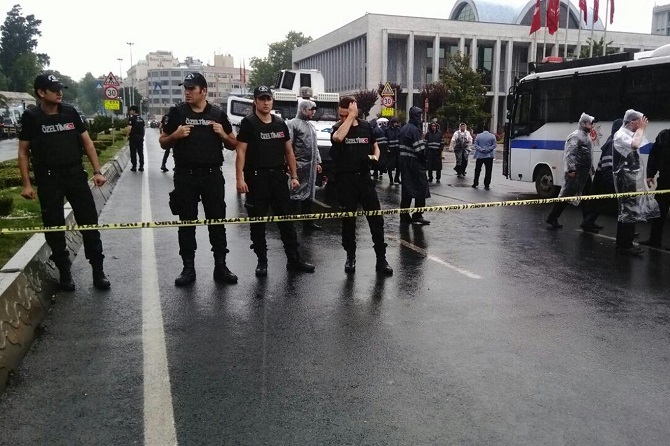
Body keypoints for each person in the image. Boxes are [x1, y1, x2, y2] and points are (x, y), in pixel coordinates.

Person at [18, 73, 110, 291]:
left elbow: (87, 143)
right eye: (54, 89)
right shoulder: (31, 117)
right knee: (54, 227)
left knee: (89, 223)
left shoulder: (70, 112)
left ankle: (98, 271)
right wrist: (26, 184)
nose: (60, 92)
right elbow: (23, 152)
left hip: (75, 176)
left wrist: (97, 171)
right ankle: (65, 271)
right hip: (49, 180)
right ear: (41, 93)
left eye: (61, 89)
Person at [159, 72, 238, 286]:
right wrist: (175, 136)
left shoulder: (217, 114)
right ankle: (188, 268)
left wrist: (223, 134)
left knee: (217, 222)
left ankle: (220, 266)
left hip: (212, 176)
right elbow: (163, 141)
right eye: (185, 88)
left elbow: (233, 143)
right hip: (186, 177)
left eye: (192, 88)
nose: (187, 92)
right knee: (186, 223)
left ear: (203, 90)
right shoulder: (177, 113)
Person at [235, 86, 316, 277]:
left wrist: (294, 176)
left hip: (279, 178)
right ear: (255, 101)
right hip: (256, 178)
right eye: (262, 99)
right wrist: (239, 179)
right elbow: (241, 152)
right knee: (258, 222)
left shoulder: (280, 124)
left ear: (272, 101)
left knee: (286, 220)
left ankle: (294, 259)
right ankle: (262, 261)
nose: (265, 102)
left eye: (268, 99)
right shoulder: (248, 123)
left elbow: (289, 151)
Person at [330, 96, 393, 275]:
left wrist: (375, 157)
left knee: (376, 221)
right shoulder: (338, 128)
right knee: (349, 223)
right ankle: (350, 257)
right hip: (346, 181)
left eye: (346, 115)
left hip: (364, 179)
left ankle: (381, 259)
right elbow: (339, 138)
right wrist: (350, 117)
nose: (343, 118)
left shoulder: (366, 127)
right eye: (341, 115)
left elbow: (375, 146)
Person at [612, 109, 660, 256]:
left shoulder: (627, 134)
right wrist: (641, 129)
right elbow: (634, 145)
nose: (641, 126)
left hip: (629, 178)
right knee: (628, 211)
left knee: (628, 211)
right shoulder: (621, 135)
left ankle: (625, 243)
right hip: (625, 180)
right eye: (638, 123)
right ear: (632, 122)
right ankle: (624, 245)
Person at [546, 113, 600, 232]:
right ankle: (552, 217)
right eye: (590, 123)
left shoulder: (587, 137)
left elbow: (588, 155)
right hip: (575, 173)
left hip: (585, 174)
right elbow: (570, 154)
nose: (592, 125)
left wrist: (591, 167)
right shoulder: (575, 136)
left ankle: (587, 222)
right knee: (566, 195)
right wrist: (571, 169)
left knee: (588, 197)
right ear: (583, 123)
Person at [288, 98, 323, 231]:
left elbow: (315, 146)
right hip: (299, 167)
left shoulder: (311, 126)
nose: (313, 112)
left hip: (310, 167)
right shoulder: (292, 124)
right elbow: (288, 146)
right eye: (310, 110)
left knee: (309, 195)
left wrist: (318, 161)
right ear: (303, 110)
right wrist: (291, 166)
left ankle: (308, 223)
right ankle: (289, 223)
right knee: (295, 195)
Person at [583, 118, 623, 228]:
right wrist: (611, 181)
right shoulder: (613, 143)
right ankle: (587, 223)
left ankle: (588, 222)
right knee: (600, 203)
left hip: (604, 178)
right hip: (604, 179)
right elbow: (607, 164)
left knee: (599, 203)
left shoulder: (614, 141)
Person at [639, 125, 670, 249]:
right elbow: (654, 156)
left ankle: (654, 239)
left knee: (659, 212)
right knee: (659, 212)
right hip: (665, 180)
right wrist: (650, 174)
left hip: (665, 180)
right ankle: (654, 239)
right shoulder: (664, 135)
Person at [398, 106, 430, 225]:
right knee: (421, 189)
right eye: (420, 116)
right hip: (415, 164)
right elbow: (420, 150)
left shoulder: (404, 128)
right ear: (415, 116)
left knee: (407, 190)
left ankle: (404, 215)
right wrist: (424, 161)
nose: (421, 118)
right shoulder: (414, 130)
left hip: (405, 164)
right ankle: (418, 215)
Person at [125, 105, 145, 172]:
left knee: (133, 152)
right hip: (140, 138)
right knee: (140, 152)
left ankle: (134, 166)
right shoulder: (141, 119)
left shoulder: (131, 119)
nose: (130, 112)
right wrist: (142, 136)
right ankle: (141, 166)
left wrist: (127, 136)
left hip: (133, 138)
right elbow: (143, 129)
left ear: (133, 111)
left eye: (131, 110)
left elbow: (129, 128)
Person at [385, 117, 401, 184]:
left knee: (399, 165)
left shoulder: (398, 130)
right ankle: (391, 179)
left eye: (396, 122)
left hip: (397, 150)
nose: (396, 124)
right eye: (394, 122)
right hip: (391, 151)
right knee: (390, 166)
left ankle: (396, 178)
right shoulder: (387, 130)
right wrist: (387, 149)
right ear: (392, 123)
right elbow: (385, 140)